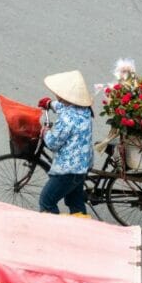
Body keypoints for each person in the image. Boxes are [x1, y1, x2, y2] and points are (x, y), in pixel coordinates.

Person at [37, 70, 94, 215]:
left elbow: (52, 143)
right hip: (82, 166)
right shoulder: (85, 110)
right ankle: (80, 231)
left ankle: (56, 233)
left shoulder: (67, 119)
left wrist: (45, 132)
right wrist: (50, 104)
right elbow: (65, 106)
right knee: (75, 202)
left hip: (68, 170)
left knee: (46, 201)